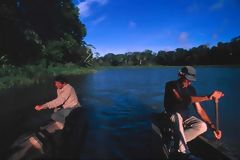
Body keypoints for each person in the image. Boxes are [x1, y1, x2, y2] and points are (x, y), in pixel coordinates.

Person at [163, 66, 224, 159]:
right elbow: (181, 99)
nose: (189, 82)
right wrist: (208, 97)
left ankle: (174, 142)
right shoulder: (171, 85)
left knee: (202, 126)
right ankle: (184, 152)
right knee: (177, 116)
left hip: (185, 119)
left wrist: (212, 126)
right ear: (181, 75)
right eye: (187, 79)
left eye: (191, 80)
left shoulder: (192, 89)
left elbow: (199, 110)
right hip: (170, 117)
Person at [30, 75, 81, 151]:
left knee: (55, 115)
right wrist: (56, 108)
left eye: (57, 83)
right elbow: (59, 101)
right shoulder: (59, 89)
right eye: (55, 83)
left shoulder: (69, 88)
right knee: (55, 112)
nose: (55, 85)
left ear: (63, 83)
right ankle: (64, 122)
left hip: (74, 108)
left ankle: (68, 124)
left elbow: (59, 101)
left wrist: (43, 106)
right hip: (67, 107)